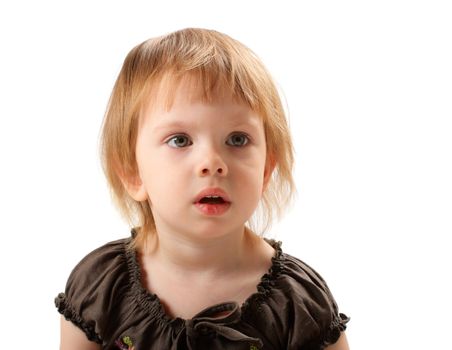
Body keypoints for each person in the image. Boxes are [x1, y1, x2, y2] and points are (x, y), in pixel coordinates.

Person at [55, 28, 349, 350]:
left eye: (237, 139)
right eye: (179, 140)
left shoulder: (298, 304)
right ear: (133, 172)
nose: (212, 162)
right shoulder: (101, 288)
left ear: (265, 171)